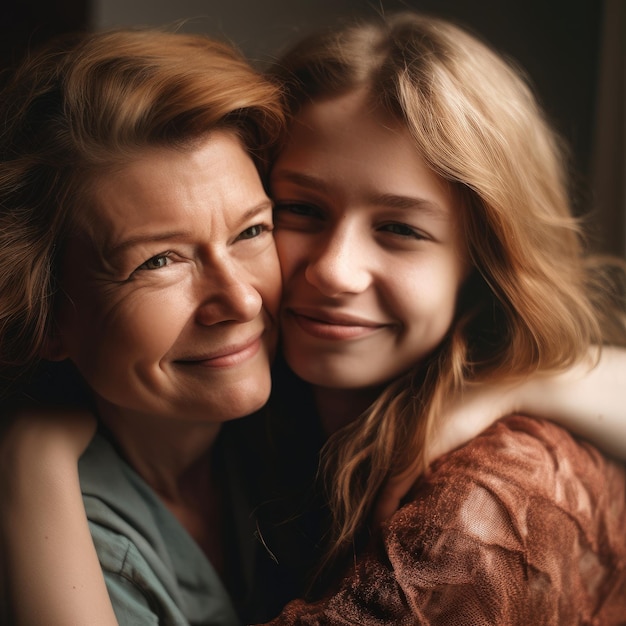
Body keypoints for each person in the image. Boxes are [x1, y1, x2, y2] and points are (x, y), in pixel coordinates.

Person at [2, 14, 626, 626]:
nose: (331, 271)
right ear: (47, 312)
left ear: (484, 263)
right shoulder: (269, 429)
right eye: (299, 209)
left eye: (400, 228)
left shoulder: (474, 513)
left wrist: (520, 384)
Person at [0, 28, 285, 625]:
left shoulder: (310, 423)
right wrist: (34, 463)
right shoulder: (74, 546)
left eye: (251, 231)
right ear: (47, 314)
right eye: (158, 261)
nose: (240, 300)